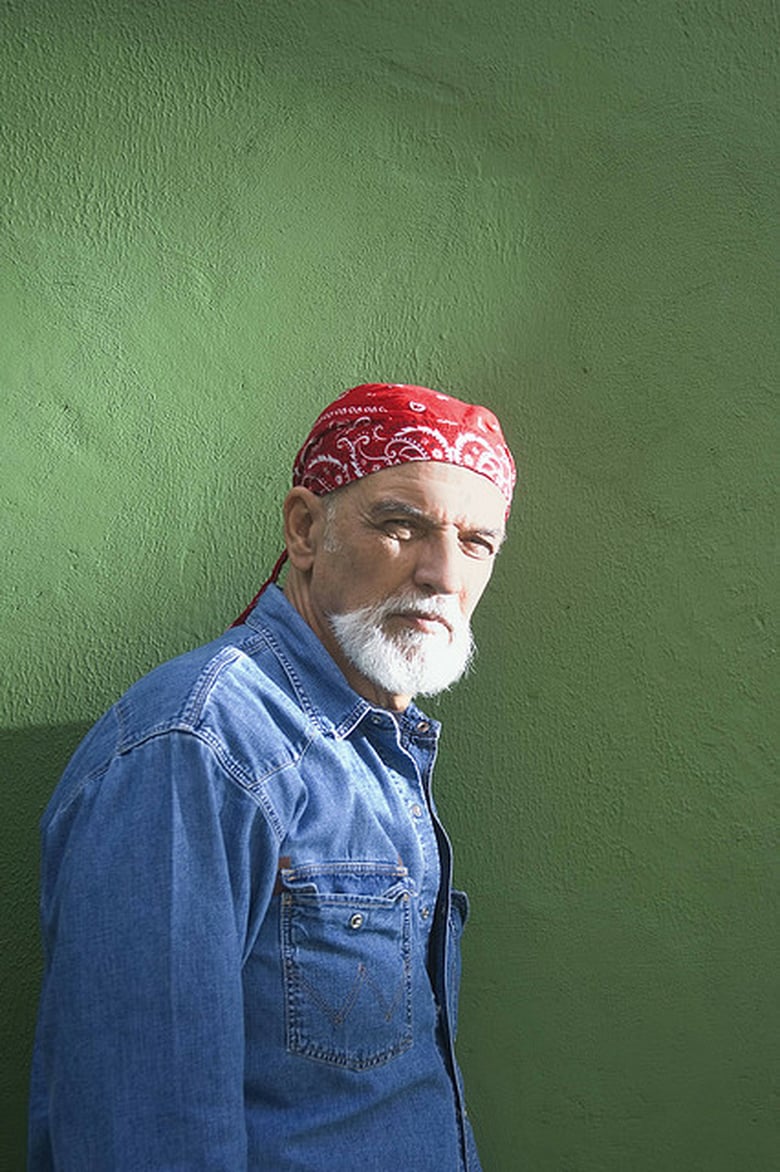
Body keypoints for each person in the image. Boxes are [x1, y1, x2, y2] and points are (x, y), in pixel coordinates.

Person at [28, 382, 516, 1171]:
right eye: (402, 526)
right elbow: (148, 1137)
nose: (441, 573)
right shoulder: (198, 747)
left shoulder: (378, 744)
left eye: (477, 543)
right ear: (305, 529)